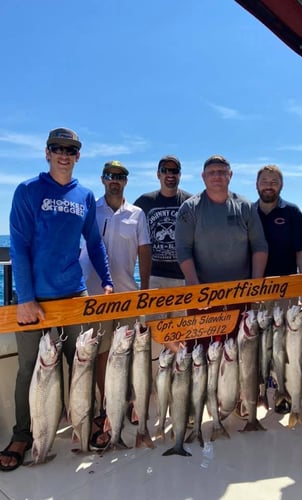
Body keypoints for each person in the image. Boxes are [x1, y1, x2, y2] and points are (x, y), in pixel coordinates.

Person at [0, 128, 113, 472]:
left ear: (79, 156)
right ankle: (22, 434)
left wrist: (106, 281)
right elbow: (18, 246)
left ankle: (87, 421)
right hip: (35, 301)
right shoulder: (27, 191)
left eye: (71, 149)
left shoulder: (85, 196)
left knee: (83, 364)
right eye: (57, 148)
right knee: (28, 371)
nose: (64, 154)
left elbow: (94, 243)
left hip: (74, 296)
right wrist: (27, 298)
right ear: (47, 153)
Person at [79, 160, 151, 446]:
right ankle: (106, 404)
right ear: (102, 179)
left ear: (126, 181)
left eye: (120, 177)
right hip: (94, 297)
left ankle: (129, 401)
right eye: (110, 176)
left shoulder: (137, 214)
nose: (115, 180)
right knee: (101, 353)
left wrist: (144, 290)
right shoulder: (89, 210)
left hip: (127, 294)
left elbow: (144, 251)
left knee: (130, 353)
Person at [175, 154, 268, 326]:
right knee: (201, 350)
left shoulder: (245, 206)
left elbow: (259, 246)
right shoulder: (189, 208)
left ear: (230, 175)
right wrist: (196, 288)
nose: (217, 176)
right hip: (203, 295)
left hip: (241, 293)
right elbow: (182, 249)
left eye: (222, 172)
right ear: (203, 177)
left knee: (241, 348)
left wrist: (256, 285)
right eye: (211, 172)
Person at [255, 164, 302, 414]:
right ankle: (257, 394)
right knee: (256, 344)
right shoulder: (247, 211)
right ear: (257, 184)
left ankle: (282, 393)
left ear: (281, 185)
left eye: (274, 181)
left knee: (284, 347)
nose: (269, 185)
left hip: (286, 291)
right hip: (254, 290)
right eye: (264, 181)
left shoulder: (292, 212)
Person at [134, 155, 192, 352]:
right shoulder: (144, 201)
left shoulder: (190, 202)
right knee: (154, 338)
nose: (170, 174)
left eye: (174, 171)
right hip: (154, 279)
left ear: (180, 175)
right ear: (158, 174)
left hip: (182, 280)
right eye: (165, 170)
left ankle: (178, 379)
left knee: (180, 340)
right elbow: (133, 238)